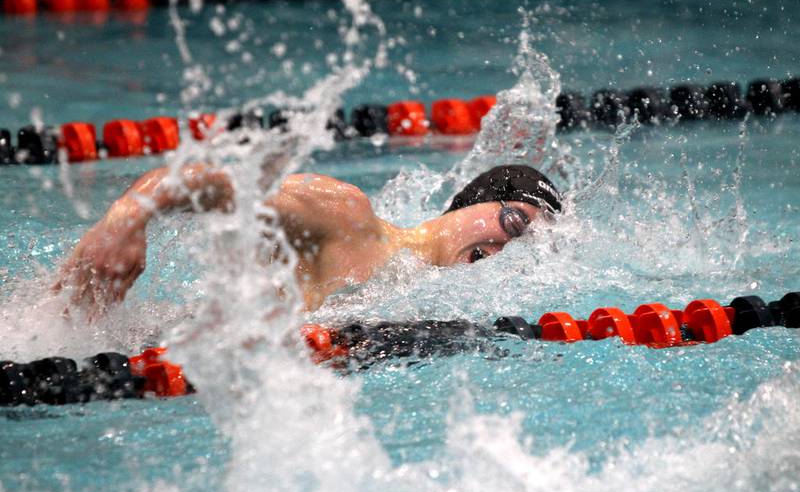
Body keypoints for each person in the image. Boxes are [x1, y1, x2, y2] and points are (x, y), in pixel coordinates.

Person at [56, 163, 562, 313]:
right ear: (469, 204)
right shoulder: (351, 219)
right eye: (514, 224)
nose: (503, 251)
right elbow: (207, 181)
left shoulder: (436, 308)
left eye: (524, 251)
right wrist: (124, 222)